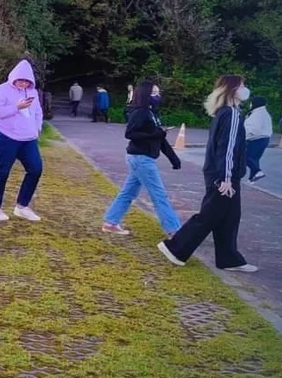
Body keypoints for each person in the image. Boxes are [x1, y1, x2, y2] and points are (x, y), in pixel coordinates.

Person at [157, 75, 258, 273]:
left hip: (218, 173)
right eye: (242, 86)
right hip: (224, 176)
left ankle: (230, 259)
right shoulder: (232, 115)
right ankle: (175, 248)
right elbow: (227, 148)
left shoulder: (224, 113)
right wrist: (226, 178)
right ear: (232, 90)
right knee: (209, 215)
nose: (245, 89)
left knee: (229, 217)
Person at [101, 79, 182, 237]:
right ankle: (175, 230)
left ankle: (110, 222)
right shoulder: (140, 112)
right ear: (145, 94)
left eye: (158, 93)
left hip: (141, 158)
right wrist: (156, 134)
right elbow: (130, 134)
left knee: (128, 193)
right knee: (159, 195)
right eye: (153, 93)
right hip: (141, 158)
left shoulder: (152, 113)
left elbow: (159, 138)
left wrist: (173, 158)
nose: (157, 96)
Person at [0, 60, 44, 222]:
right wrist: (16, 107)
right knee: (2, 172)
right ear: (14, 78)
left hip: (28, 139)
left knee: (35, 169)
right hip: (6, 136)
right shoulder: (2, 90)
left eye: (27, 81)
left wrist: (37, 128)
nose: (23, 83)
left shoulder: (32, 93)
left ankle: (22, 206)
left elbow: (37, 112)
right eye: (21, 80)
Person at [244, 95, 273, 183]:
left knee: (246, 157)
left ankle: (257, 171)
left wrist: (245, 135)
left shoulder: (258, 114)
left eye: (251, 103)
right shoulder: (262, 113)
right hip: (263, 138)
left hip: (257, 139)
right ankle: (252, 178)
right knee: (254, 158)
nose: (250, 105)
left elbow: (254, 128)